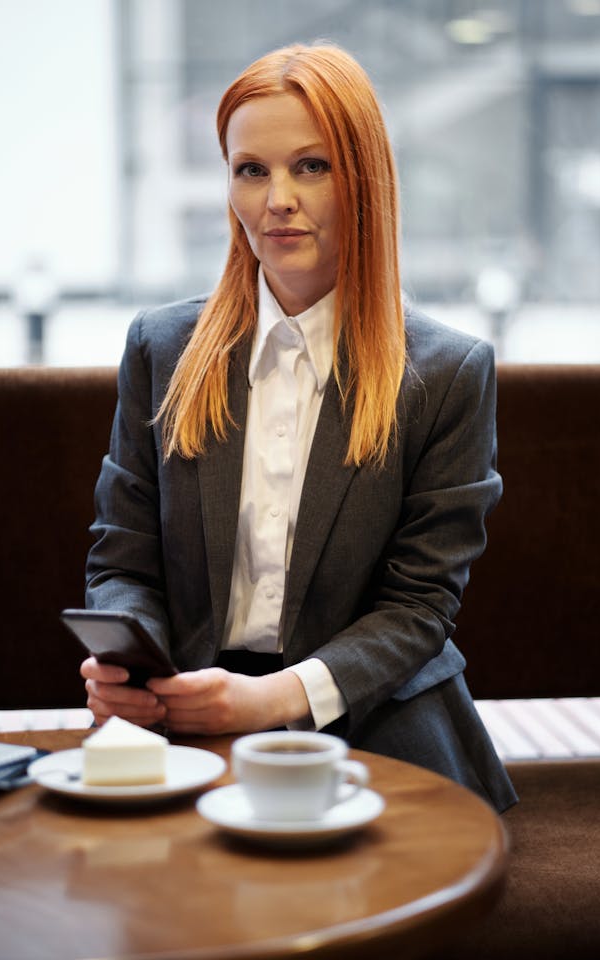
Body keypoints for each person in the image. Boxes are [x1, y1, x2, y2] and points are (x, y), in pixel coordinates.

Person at [82, 42, 517, 812]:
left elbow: (418, 609)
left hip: (375, 716)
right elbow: (124, 562)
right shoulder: (163, 348)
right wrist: (129, 663)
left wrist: (268, 701)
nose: (276, 198)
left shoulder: (448, 371)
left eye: (309, 166)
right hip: (188, 709)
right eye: (251, 169)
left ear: (364, 180)